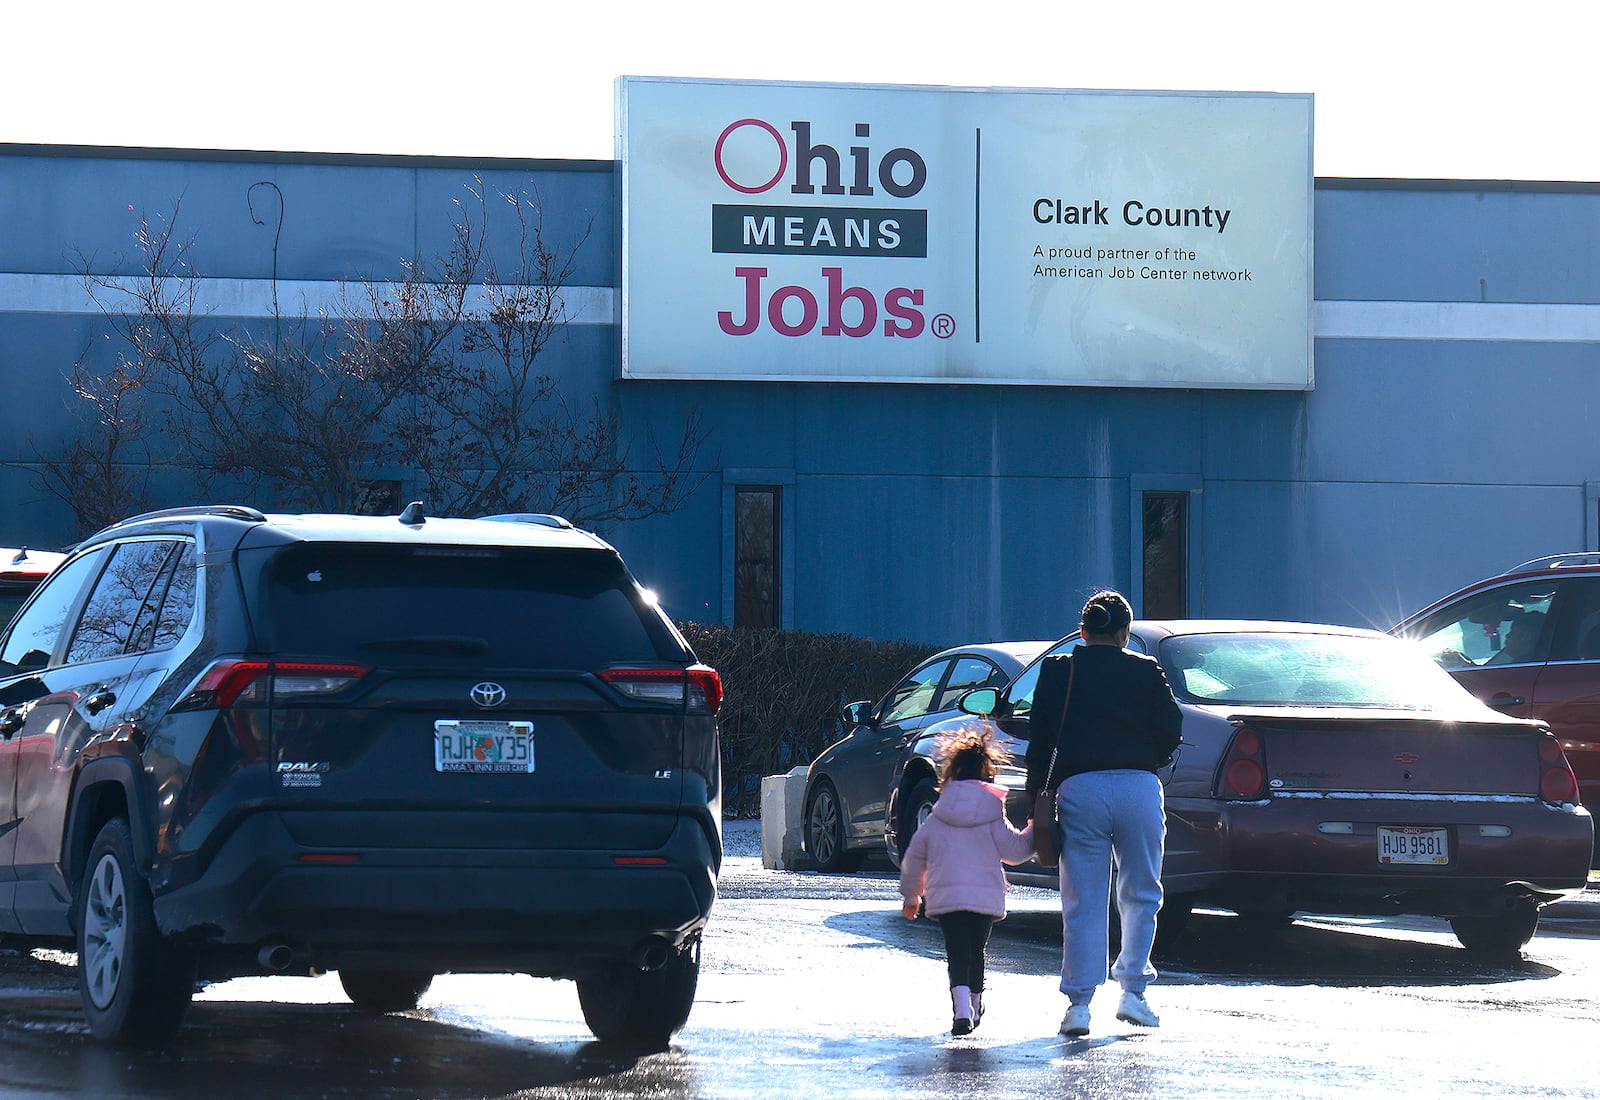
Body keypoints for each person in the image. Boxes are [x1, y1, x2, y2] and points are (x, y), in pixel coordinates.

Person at [1025, 590, 1182, 1038]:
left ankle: (1078, 1005)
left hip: (1080, 788)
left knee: (1083, 900)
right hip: (1137, 785)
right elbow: (1172, 727)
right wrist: (1146, 755)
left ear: (1083, 631)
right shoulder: (1145, 669)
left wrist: (1036, 795)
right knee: (1142, 892)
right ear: (1124, 632)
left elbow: (1041, 739)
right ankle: (1134, 992)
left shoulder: (1059, 670)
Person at [899, 724, 1035, 1036]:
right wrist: (1033, 831)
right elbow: (1014, 851)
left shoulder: (938, 816)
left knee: (956, 952)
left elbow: (914, 858)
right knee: (976, 951)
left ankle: (961, 1009)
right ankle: (975, 1004)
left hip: (947, 900)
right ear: (987, 774)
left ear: (951, 775)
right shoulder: (991, 813)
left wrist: (912, 896)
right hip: (984, 899)